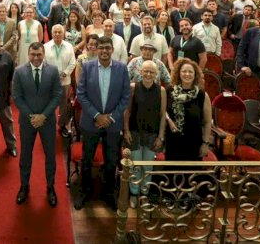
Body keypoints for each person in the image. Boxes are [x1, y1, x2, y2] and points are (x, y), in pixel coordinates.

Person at [74, 36, 130, 211]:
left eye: (108, 48)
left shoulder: (122, 69)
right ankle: (85, 192)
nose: (104, 51)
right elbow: (81, 94)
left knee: (111, 160)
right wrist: (97, 116)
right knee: (87, 159)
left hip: (113, 124)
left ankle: (108, 194)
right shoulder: (88, 67)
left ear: (112, 49)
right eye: (101, 48)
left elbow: (125, 97)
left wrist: (110, 118)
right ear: (96, 49)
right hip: (91, 122)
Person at [13, 42, 62, 207]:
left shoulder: (53, 71)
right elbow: (17, 97)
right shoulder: (19, 72)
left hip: (47, 122)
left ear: (43, 54)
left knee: (50, 156)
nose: (36, 58)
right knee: (25, 155)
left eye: (39, 55)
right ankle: (24, 186)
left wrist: (43, 116)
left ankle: (50, 187)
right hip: (27, 122)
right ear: (28, 54)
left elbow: (57, 95)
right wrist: (31, 116)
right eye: (33, 55)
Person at [123, 60, 167, 208]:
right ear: (140, 72)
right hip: (134, 132)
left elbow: (162, 115)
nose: (148, 74)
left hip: (152, 134)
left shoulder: (161, 91)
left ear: (156, 74)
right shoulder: (133, 87)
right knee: (135, 166)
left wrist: (161, 136)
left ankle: (144, 193)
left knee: (147, 167)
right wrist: (126, 130)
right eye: (146, 71)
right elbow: (127, 111)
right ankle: (134, 194)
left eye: (151, 72)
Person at [165, 58, 212, 161]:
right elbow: (162, 110)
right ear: (178, 73)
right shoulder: (169, 90)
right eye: (184, 71)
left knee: (191, 175)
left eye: (190, 72)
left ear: (195, 75)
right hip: (173, 141)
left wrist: (205, 144)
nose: (187, 74)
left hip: (194, 142)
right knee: (171, 174)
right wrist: (169, 121)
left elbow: (208, 122)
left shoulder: (202, 95)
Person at [44, 25, 76, 137]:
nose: (57, 34)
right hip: (50, 82)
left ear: (63, 34)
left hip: (65, 81)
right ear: (52, 34)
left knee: (63, 105)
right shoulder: (45, 46)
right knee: (49, 104)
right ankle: (49, 125)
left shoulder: (69, 46)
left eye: (59, 32)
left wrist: (64, 73)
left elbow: (73, 63)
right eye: (55, 32)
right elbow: (43, 64)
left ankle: (62, 125)